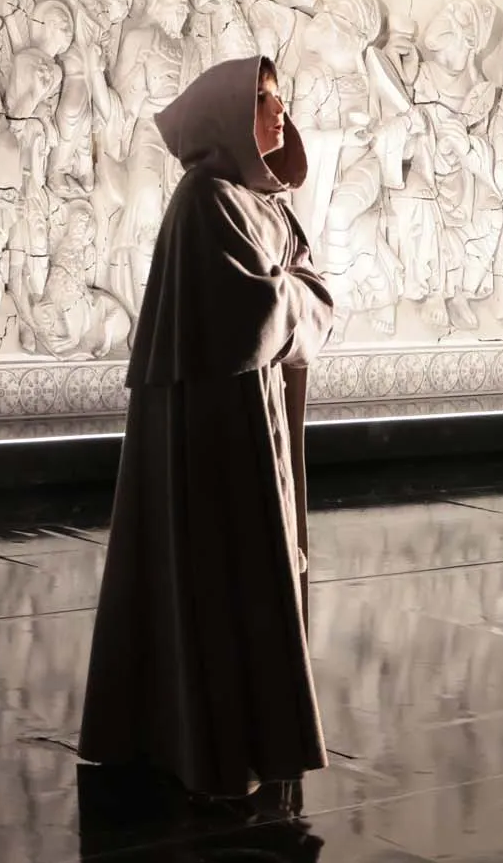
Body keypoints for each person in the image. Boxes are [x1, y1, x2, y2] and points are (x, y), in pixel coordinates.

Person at [78, 55, 333, 808]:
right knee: (216, 572)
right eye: (261, 99)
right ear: (227, 113)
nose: (278, 111)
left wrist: (287, 292)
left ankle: (251, 732)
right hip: (214, 434)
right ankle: (201, 741)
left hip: (260, 427)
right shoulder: (205, 201)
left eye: (281, 98)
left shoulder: (268, 204)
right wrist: (289, 292)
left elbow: (313, 299)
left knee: (258, 572)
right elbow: (253, 316)